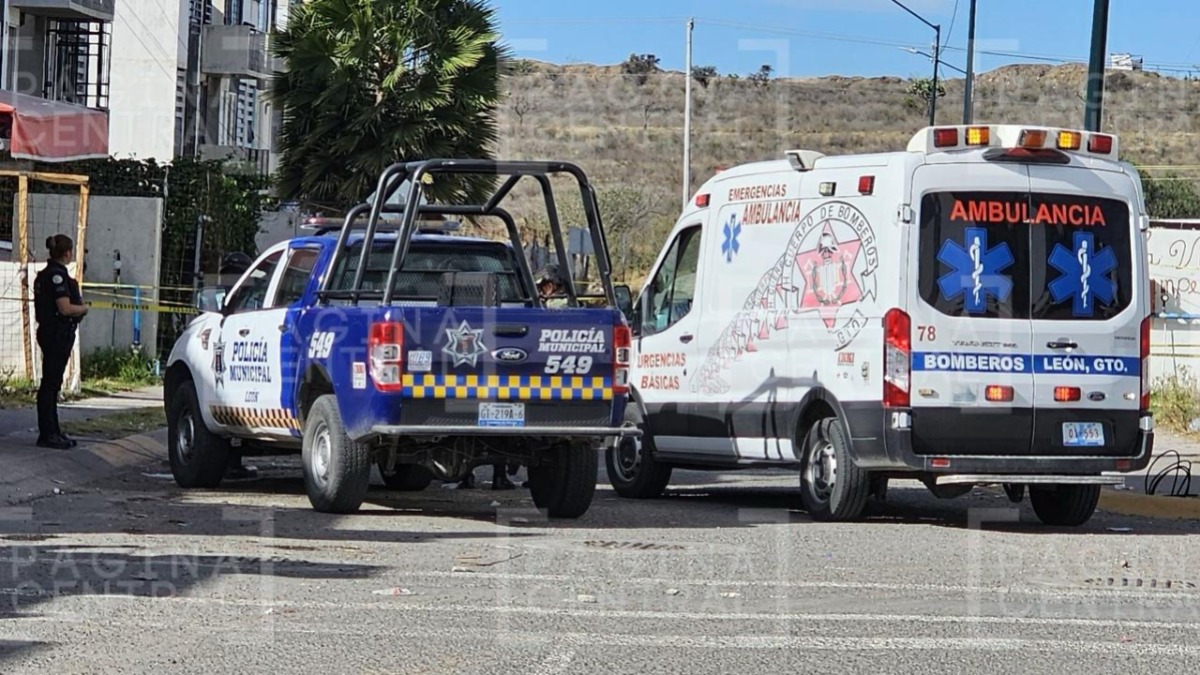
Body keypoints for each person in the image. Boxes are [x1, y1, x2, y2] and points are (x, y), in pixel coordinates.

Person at [33, 234, 87, 449]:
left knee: (52, 383)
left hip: (52, 332)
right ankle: (48, 433)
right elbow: (65, 308)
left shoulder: (46, 274)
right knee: (51, 384)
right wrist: (84, 308)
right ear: (67, 253)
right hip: (56, 333)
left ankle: (53, 430)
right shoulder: (56, 276)